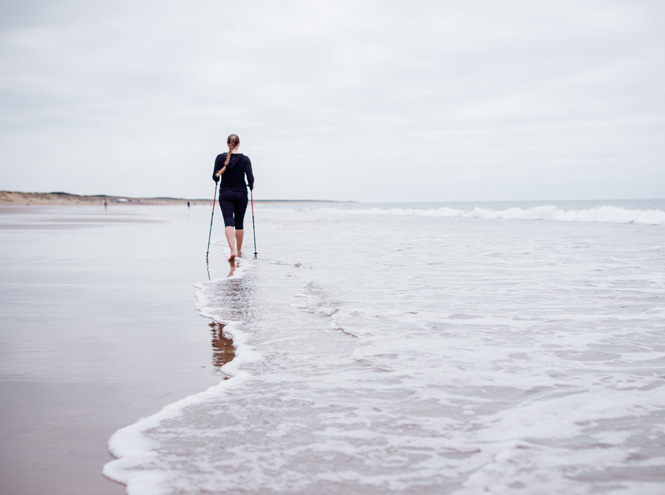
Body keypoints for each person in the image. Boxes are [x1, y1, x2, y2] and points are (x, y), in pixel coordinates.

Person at [212, 134, 254, 260]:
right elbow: (250, 178)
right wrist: (251, 186)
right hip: (241, 194)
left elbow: (215, 177)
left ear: (227, 144)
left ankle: (232, 250)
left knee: (228, 221)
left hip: (225, 193)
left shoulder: (220, 158)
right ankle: (239, 250)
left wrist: (218, 179)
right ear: (239, 144)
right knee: (239, 222)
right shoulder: (245, 159)